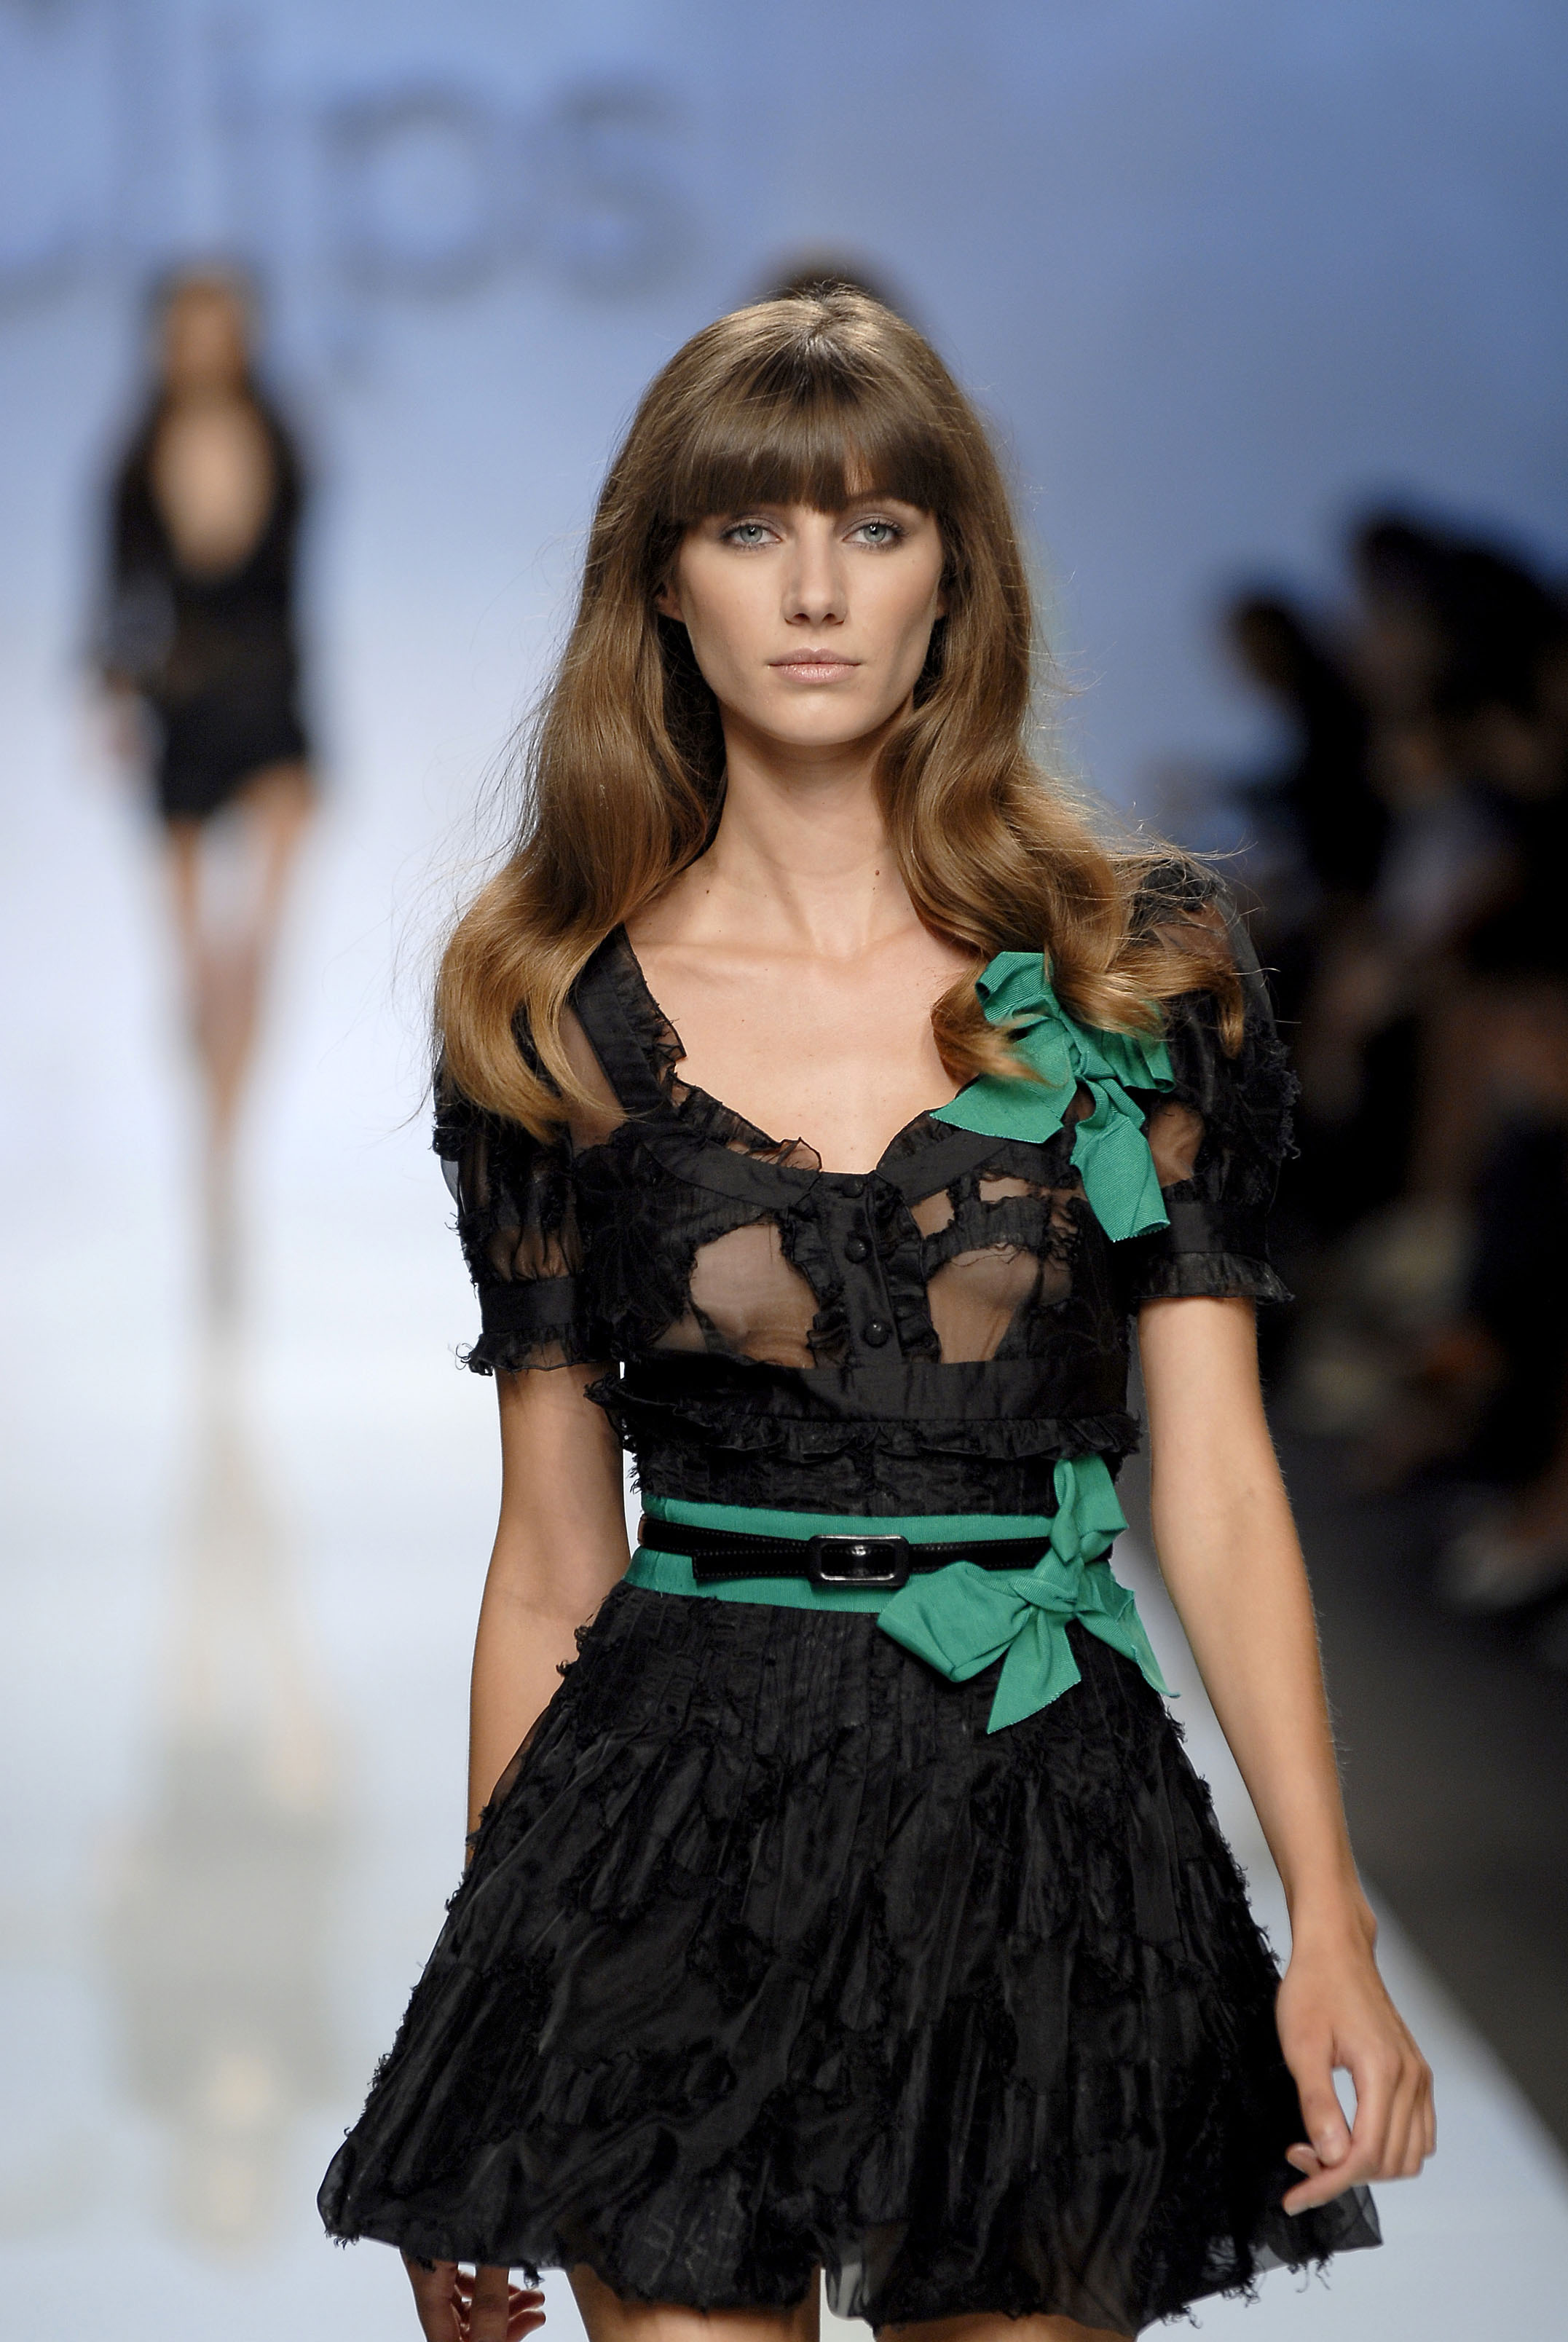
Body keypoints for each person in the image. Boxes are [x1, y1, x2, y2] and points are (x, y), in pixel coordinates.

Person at [319, 289, 1431, 2342]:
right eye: (752, 530)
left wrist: (1330, 1914)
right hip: (664, 1826)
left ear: (954, 579)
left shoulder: (1138, 969)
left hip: (1038, 1815)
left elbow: (1212, 1481)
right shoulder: (547, 999)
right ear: (665, 586)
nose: (816, 590)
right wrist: (497, 2045)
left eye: (877, 526)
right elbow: (551, 1548)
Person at [98, 264, 315, 1304]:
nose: (204, 347)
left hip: (270, 703)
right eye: (189, 329)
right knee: (194, 970)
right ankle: (211, 1162)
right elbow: (116, 595)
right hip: (181, 710)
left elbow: (288, 580)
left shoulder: (283, 440)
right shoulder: (135, 455)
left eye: (220, 327)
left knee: (253, 956)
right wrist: (112, 693)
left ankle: (226, 1161)